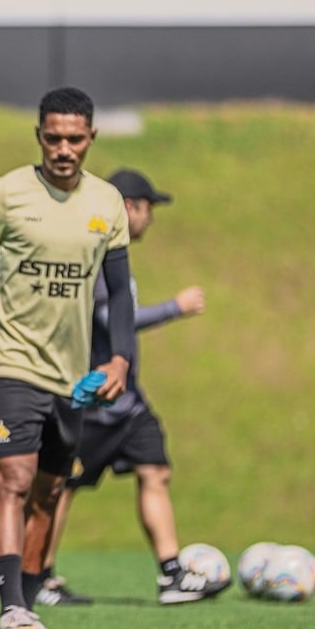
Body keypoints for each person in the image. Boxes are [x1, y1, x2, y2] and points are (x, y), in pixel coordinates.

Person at [0, 86, 136, 629]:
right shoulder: (5, 195)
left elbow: (120, 294)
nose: (63, 148)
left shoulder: (108, 203)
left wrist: (119, 358)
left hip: (73, 377)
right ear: (39, 137)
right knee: (14, 480)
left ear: (90, 137)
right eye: (53, 137)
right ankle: (11, 608)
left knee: (50, 491)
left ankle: (28, 607)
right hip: (12, 363)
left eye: (75, 139)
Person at [37, 168, 229, 606]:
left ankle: (171, 575)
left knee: (155, 470)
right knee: (60, 487)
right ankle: (41, 579)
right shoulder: (96, 254)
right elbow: (108, 319)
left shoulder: (118, 254)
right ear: (128, 207)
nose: (151, 220)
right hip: (92, 400)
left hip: (129, 403)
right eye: (148, 209)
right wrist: (173, 309)